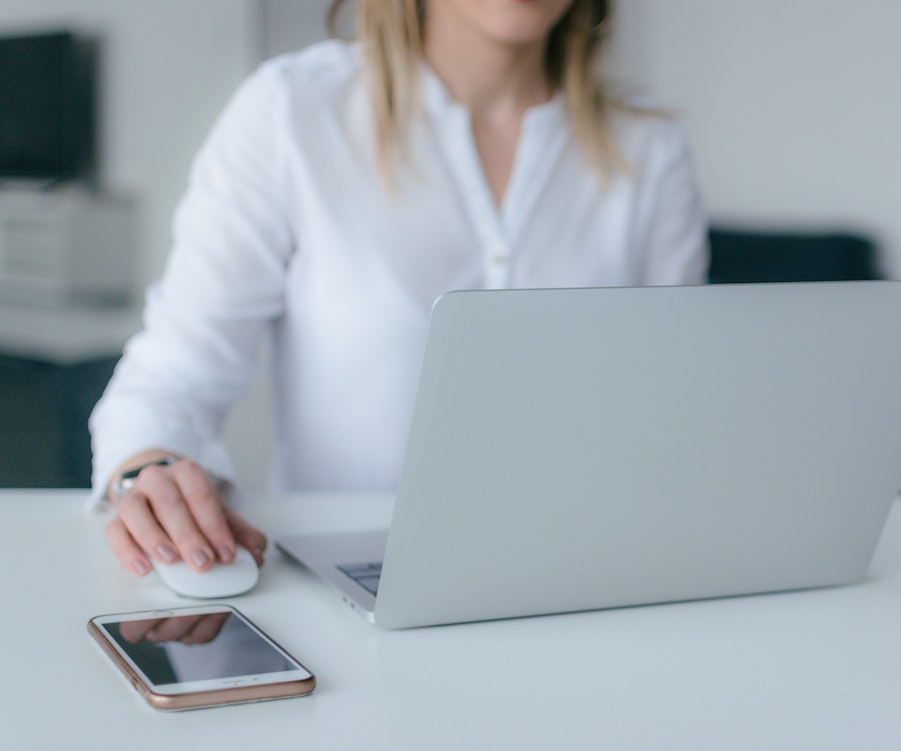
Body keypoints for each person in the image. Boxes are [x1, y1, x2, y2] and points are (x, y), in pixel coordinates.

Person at [89, 0, 709, 578]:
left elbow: (675, 414)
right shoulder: (291, 114)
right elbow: (171, 379)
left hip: (586, 579)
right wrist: (147, 470)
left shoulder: (650, 151)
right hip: (355, 582)